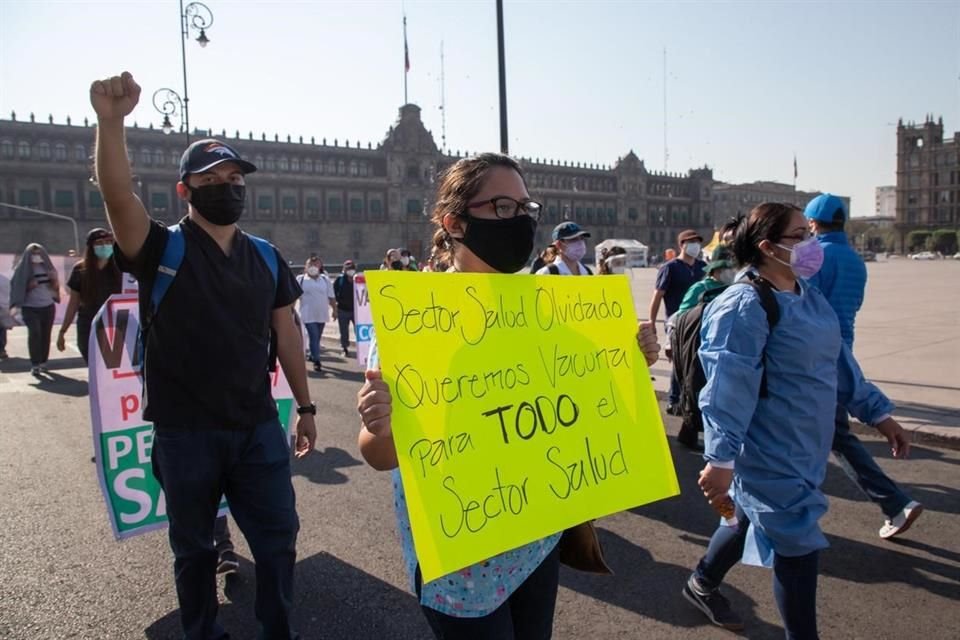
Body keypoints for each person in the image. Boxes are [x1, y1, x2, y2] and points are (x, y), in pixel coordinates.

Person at [357, 153, 660, 639]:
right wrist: (379, 425)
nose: (519, 220)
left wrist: (631, 358)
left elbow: (592, 399)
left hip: (536, 535)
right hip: (462, 558)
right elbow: (378, 455)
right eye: (502, 207)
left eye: (525, 207)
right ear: (455, 223)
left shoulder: (548, 309)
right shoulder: (413, 320)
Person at [90, 71, 316, 640]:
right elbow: (118, 195)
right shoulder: (158, 247)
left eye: (236, 176)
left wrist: (307, 408)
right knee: (192, 551)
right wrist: (111, 121)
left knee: (279, 540)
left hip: (257, 428)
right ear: (185, 191)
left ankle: (277, 629)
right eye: (213, 177)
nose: (229, 185)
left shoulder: (265, 256)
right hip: (184, 432)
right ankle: (202, 633)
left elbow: (285, 332)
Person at [683, 202, 911, 638]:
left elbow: (838, 362)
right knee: (797, 541)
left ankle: (701, 581)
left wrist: (878, 413)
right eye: (799, 236)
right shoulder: (744, 305)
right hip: (769, 451)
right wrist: (722, 458)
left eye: (809, 232)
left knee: (748, 517)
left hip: (807, 445)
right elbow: (727, 388)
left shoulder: (808, 294)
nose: (812, 243)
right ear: (768, 247)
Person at [804, 193, 922, 539]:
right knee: (836, 433)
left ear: (813, 223)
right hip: (844, 350)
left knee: (835, 434)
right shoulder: (856, 260)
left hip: (815, 351)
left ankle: (894, 501)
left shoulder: (814, 255)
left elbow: (801, 299)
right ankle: (893, 502)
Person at [648, 229, 706, 415]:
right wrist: (652, 321)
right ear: (682, 245)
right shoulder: (670, 267)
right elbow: (657, 296)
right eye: (691, 242)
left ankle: (690, 399)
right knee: (679, 360)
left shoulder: (702, 267)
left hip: (700, 320)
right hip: (676, 321)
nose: (695, 245)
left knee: (695, 361)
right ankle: (674, 399)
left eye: (698, 242)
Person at [57, 228, 123, 362]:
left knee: (112, 366)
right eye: (99, 243)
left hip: (115, 323)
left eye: (108, 242)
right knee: (92, 361)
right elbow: (73, 303)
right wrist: (63, 331)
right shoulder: (80, 269)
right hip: (89, 322)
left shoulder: (120, 268)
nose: (104, 246)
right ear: (91, 246)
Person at [9, 243, 60, 375]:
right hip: (30, 307)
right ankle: (35, 363)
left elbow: (55, 289)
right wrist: (28, 287)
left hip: (47, 306)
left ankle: (43, 362)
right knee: (35, 333)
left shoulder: (47, 268)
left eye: (38, 254)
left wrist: (54, 281)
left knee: (45, 334)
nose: (36, 257)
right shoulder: (21, 270)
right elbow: (16, 287)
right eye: (33, 254)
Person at [297, 255, 336, 372]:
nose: (313, 267)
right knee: (314, 336)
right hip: (307, 314)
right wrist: (290, 311)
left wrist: (334, 310)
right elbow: (293, 296)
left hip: (322, 313)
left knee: (317, 337)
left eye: (316, 264)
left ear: (320, 266)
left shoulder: (324, 279)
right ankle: (317, 361)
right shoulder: (301, 279)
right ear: (306, 267)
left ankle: (313, 354)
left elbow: (331, 296)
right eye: (311, 265)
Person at [674, 245, 736, 317]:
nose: (734, 271)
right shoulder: (699, 289)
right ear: (716, 269)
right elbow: (682, 317)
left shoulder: (735, 288)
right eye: (729, 268)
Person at [332, 260, 356, 357]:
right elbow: (333, 292)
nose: (350, 270)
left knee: (359, 330)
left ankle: (362, 348)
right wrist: (335, 306)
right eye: (348, 268)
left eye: (352, 268)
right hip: (342, 309)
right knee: (344, 331)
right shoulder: (340, 279)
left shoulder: (358, 279)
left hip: (356, 310)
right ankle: (344, 348)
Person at [0, 272, 11, 360]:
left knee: (1, 329)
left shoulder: (3, 279)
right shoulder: (4, 279)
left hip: (1, 307)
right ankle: (1, 350)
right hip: (3, 307)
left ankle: (1, 350)